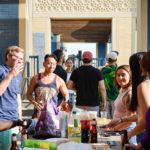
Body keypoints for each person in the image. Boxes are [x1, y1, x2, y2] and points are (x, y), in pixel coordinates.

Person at [67, 51, 106, 115]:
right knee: (93, 124)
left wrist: (76, 89)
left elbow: (68, 85)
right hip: (94, 104)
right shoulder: (97, 72)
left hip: (80, 104)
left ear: (82, 59)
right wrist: (104, 101)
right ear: (91, 59)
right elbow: (102, 88)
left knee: (80, 124)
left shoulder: (76, 71)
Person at [105, 65, 137, 144]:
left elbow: (129, 121)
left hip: (126, 133)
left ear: (130, 75)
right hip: (120, 131)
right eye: (118, 75)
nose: (120, 78)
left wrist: (113, 129)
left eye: (123, 75)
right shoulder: (123, 89)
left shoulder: (129, 94)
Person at [0, 45, 24, 150]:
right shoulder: (1, 70)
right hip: (2, 121)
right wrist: (10, 75)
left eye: (21, 59)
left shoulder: (18, 75)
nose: (19, 61)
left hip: (14, 120)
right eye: (17, 58)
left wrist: (20, 118)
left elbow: (17, 97)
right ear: (8, 56)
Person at [125, 51, 150, 149]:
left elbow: (146, 120)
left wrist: (128, 135)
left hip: (145, 136)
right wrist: (121, 120)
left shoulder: (143, 86)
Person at [100, 52, 119, 118]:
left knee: (106, 118)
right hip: (116, 96)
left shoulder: (102, 70)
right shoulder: (118, 70)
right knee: (115, 117)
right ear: (116, 60)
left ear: (107, 60)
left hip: (105, 97)